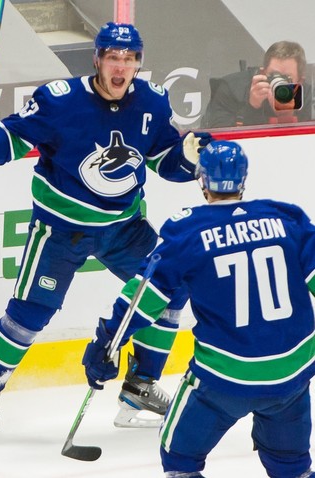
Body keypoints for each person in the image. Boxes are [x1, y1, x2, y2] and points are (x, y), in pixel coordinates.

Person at [0, 21, 213, 437]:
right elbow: (15, 138)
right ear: (97, 59)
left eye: (129, 60)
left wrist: (187, 158)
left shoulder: (153, 101)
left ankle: (140, 385)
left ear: (137, 64)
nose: (121, 67)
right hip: (61, 229)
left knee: (168, 288)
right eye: (113, 57)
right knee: (31, 312)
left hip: (124, 227)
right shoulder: (61, 101)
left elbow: (162, 160)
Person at [83, 139, 315, 478]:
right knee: (291, 465)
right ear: (243, 179)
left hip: (224, 380)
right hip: (291, 376)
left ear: (202, 181)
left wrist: (107, 340)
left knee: (179, 458)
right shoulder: (288, 219)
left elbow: (145, 298)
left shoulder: (187, 230)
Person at [201, 41, 313, 128]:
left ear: (300, 81)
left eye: (287, 78)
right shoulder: (232, 88)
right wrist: (252, 107)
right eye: (274, 75)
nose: (280, 83)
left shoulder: (305, 94)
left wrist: (286, 115)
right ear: (262, 72)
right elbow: (217, 136)